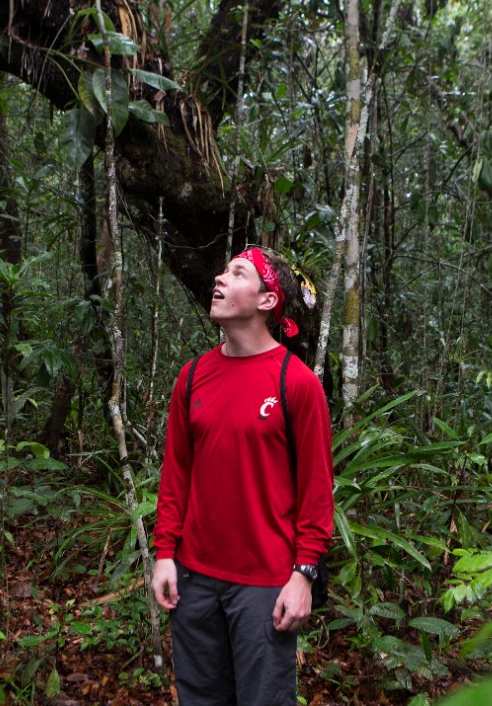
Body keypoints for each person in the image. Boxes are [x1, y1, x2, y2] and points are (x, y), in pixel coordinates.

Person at [152, 247, 333, 706]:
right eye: (223, 270)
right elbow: (176, 476)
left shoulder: (297, 384)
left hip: (265, 585)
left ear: (268, 300)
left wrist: (304, 575)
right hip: (194, 579)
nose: (220, 278)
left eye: (237, 273)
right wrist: (165, 553)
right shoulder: (191, 378)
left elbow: (316, 491)